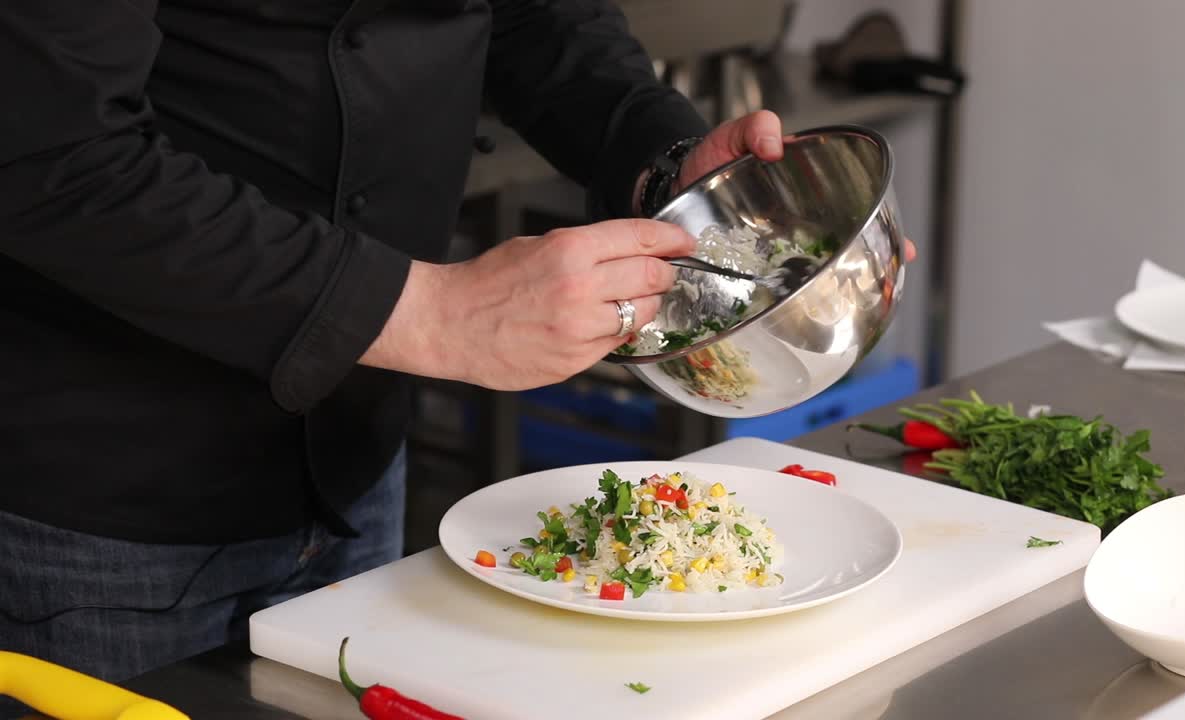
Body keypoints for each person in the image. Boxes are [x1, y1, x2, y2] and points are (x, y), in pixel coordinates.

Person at [0, 0, 915, 692]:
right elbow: (50, 153)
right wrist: (432, 314)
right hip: (106, 489)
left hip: (355, 447)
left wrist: (662, 159)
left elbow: (533, 14)